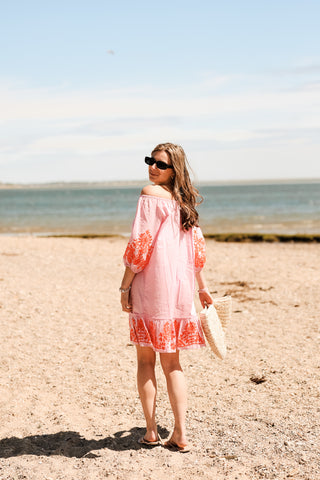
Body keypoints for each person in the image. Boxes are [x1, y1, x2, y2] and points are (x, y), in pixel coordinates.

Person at [120, 143, 213, 452]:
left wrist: (124, 286)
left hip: (152, 286)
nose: (153, 168)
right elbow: (196, 251)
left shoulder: (150, 194)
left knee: (146, 359)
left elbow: (140, 244)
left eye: (161, 164)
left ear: (175, 170)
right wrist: (201, 287)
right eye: (151, 161)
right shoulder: (184, 203)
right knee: (173, 362)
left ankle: (150, 432)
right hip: (180, 290)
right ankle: (181, 433)